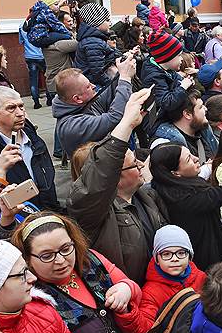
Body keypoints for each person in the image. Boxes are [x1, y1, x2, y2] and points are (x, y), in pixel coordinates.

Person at [10, 212, 150, 333]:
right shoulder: (35, 299)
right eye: (47, 256)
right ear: (27, 259)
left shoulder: (90, 260)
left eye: (66, 249)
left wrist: (126, 288)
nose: (61, 260)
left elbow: (135, 290)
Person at [67, 89, 167, 285]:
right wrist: (125, 124)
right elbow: (99, 177)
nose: (140, 165)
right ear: (113, 176)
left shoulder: (145, 196)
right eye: (133, 163)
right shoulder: (92, 211)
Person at [149, 130, 222, 270]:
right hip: (209, 267)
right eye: (188, 159)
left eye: (191, 154)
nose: (196, 158)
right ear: (175, 173)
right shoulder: (188, 199)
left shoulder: (168, 187)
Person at [0, 86, 59, 210]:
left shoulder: (32, 137)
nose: (20, 113)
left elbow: (48, 181)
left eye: (21, 106)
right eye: (11, 108)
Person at [53, 56, 135, 160]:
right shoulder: (72, 125)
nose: (93, 86)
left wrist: (124, 65)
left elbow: (108, 91)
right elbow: (115, 117)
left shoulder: (80, 105)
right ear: (77, 98)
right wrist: (125, 78)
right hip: (97, 172)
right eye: (88, 86)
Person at [139, 224, 207, 319]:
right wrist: (128, 315)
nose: (174, 259)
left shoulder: (202, 278)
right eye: (166, 254)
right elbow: (146, 328)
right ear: (157, 259)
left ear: (189, 256)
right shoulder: (151, 293)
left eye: (181, 253)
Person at [141, 30, 192, 129]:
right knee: (178, 138)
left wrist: (188, 83)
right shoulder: (153, 76)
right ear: (167, 57)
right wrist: (183, 87)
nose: (181, 59)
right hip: (157, 123)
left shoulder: (167, 70)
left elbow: (178, 80)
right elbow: (166, 102)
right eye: (178, 55)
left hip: (168, 116)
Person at [153, 89, 219, 162]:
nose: (205, 109)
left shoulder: (204, 131)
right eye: (200, 107)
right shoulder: (171, 147)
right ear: (187, 114)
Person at [74, 2, 117, 89]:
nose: (110, 23)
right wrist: (111, 84)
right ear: (96, 23)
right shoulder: (93, 42)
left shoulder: (95, 39)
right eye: (107, 20)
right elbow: (97, 72)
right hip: (93, 85)